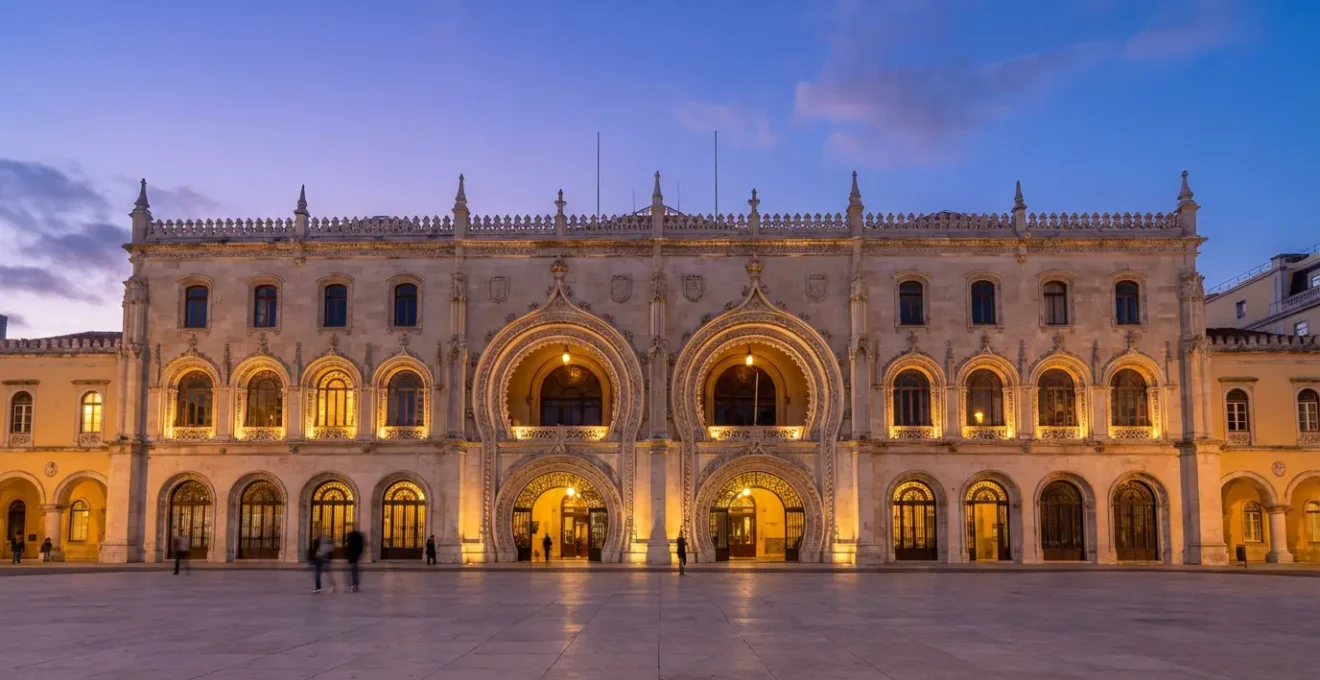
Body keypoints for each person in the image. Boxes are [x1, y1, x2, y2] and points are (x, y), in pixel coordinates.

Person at [345, 524, 365, 592]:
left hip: (352, 556)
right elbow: (361, 546)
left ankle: (353, 585)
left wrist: (347, 555)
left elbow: (348, 546)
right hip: (355, 556)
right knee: (354, 571)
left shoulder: (350, 535)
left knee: (353, 571)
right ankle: (355, 585)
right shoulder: (359, 535)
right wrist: (360, 554)